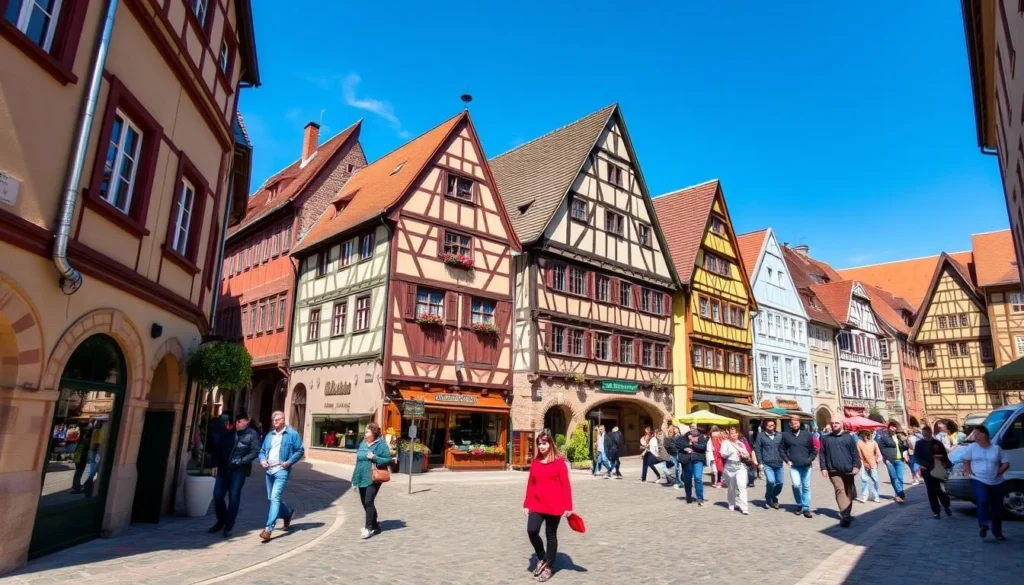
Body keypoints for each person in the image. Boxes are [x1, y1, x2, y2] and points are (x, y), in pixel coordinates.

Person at [523, 429, 574, 583]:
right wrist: (526, 503)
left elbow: (565, 484)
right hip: (537, 504)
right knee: (532, 530)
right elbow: (531, 484)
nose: (542, 447)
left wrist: (568, 506)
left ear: (550, 444)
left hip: (554, 504)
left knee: (551, 535)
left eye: (544, 443)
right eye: (539, 444)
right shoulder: (536, 462)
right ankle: (542, 557)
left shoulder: (558, 462)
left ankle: (549, 566)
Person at [209, 411, 261, 537]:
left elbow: (255, 452)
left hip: (239, 470)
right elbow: (218, 449)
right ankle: (221, 520)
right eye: (236, 421)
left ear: (246, 421)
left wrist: (241, 461)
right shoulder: (228, 434)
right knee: (217, 495)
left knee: (234, 497)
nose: (237, 423)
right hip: (223, 469)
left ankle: (229, 524)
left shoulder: (252, 434)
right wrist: (215, 464)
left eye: (240, 421)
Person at [257, 411, 305, 542]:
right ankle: (288, 514)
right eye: (273, 420)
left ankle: (268, 529)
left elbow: (300, 450)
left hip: (282, 470)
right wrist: (262, 460)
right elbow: (261, 451)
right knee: (271, 498)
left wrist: (289, 462)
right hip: (269, 470)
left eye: (277, 420)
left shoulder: (292, 434)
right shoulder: (269, 435)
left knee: (275, 497)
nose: (275, 422)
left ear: (283, 420)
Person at [962, 425, 1010, 540]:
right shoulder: (972, 447)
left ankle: (997, 532)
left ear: (985, 435)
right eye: (975, 434)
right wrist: (968, 472)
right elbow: (966, 460)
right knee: (982, 500)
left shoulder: (996, 449)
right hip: (979, 479)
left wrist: (999, 471)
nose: (976, 436)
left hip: (996, 481)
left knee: (996, 507)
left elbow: (1006, 463)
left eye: (978, 434)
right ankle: (983, 525)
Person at [352, 422, 393, 539]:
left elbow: (388, 459)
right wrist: (354, 478)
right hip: (361, 477)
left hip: (374, 477)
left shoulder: (380, 444)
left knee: (369, 501)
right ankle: (375, 525)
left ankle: (368, 528)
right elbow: (358, 462)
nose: (365, 433)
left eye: (367, 431)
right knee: (365, 502)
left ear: (373, 433)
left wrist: (375, 457)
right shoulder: (363, 443)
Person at [819, 418, 861, 528]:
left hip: (848, 469)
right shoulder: (825, 438)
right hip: (833, 469)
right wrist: (823, 468)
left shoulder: (849, 437)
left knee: (848, 492)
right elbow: (822, 453)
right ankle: (845, 516)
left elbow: (854, 452)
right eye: (832, 423)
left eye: (836, 423)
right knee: (840, 490)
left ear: (841, 424)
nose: (834, 425)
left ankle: (846, 513)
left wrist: (856, 466)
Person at [781, 415, 816, 518]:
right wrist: (787, 460)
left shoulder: (808, 435)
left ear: (799, 423)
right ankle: (799, 504)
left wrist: (810, 459)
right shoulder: (786, 436)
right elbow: (781, 449)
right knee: (796, 485)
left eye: (796, 422)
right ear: (790, 424)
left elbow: (813, 450)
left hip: (806, 465)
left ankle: (806, 508)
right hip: (794, 466)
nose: (794, 424)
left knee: (806, 486)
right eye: (792, 423)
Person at [914, 426, 952, 520]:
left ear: (930, 433)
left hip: (938, 468)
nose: (925, 436)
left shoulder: (937, 443)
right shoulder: (919, 444)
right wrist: (922, 464)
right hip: (926, 470)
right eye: (924, 435)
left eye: (927, 434)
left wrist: (945, 463)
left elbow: (944, 455)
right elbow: (916, 456)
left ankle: (946, 505)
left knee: (941, 489)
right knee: (931, 491)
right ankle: (936, 511)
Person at [719, 426, 751, 515]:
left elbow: (747, 455)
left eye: (735, 433)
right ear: (729, 434)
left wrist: (744, 455)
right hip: (729, 467)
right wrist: (731, 452)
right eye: (732, 433)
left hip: (740, 466)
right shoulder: (726, 442)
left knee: (742, 486)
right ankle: (731, 503)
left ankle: (744, 507)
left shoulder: (741, 443)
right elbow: (723, 454)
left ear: (738, 434)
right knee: (731, 487)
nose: (734, 435)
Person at [755, 419, 785, 509]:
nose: (771, 427)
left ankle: (772, 495)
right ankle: (768, 498)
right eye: (769, 426)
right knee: (771, 481)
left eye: (772, 425)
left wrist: (787, 459)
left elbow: (784, 448)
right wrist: (760, 462)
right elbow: (758, 450)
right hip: (767, 463)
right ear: (765, 426)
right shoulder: (761, 436)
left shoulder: (779, 435)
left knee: (780, 483)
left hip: (779, 463)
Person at [878, 421, 908, 503]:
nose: (893, 428)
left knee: (900, 478)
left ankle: (898, 495)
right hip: (890, 460)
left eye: (894, 427)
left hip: (899, 460)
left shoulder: (898, 437)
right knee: (894, 477)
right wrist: (886, 458)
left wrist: (905, 441)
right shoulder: (884, 437)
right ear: (888, 427)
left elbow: (904, 448)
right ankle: (900, 494)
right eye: (892, 426)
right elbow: (881, 448)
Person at [678, 428, 707, 505]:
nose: (693, 431)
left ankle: (700, 498)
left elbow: (703, 447)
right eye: (692, 429)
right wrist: (686, 448)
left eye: (695, 429)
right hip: (687, 460)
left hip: (698, 459)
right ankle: (688, 496)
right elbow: (679, 445)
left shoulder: (701, 437)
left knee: (698, 478)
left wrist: (693, 443)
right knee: (688, 479)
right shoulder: (684, 437)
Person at [855, 430, 882, 503]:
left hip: (873, 463)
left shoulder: (873, 442)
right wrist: (864, 463)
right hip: (863, 464)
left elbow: (877, 452)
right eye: (867, 435)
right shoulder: (859, 443)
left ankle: (875, 496)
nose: (868, 436)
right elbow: (859, 454)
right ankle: (864, 496)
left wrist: (876, 460)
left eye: (869, 434)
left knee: (875, 480)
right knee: (864, 480)